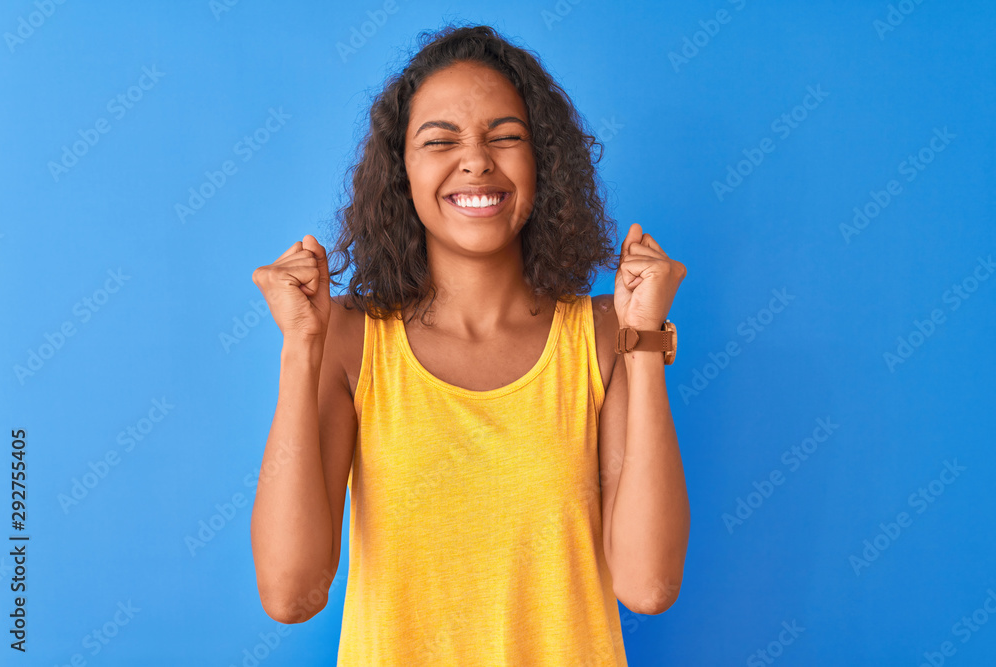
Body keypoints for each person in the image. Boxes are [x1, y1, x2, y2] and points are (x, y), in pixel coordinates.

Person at [249, 23, 690, 666]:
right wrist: (299, 350)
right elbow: (292, 595)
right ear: (403, 170)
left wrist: (644, 337)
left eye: (506, 137)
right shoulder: (350, 339)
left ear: (544, 162)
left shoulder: (603, 334)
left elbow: (648, 586)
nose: (477, 159)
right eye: (441, 140)